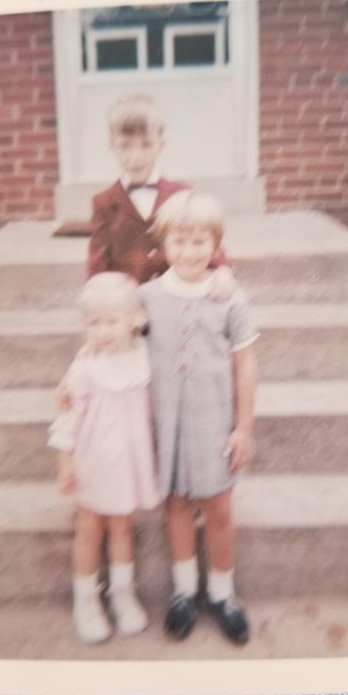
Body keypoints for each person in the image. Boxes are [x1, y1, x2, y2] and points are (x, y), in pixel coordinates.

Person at [139, 191, 258, 645]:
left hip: (215, 423)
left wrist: (243, 428)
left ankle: (223, 594)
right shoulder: (146, 297)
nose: (189, 252)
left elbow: (245, 365)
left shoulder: (230, 298)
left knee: (218, 508)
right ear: (164, 245)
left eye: (199, 242)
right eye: (179, 241)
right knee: (176, 505)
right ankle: (184, 592)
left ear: (216, 245)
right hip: (166, 423)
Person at [48, 273, 161, 644]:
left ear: (135, 320)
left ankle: (122, 593)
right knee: (89, 529)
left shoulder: (145, 358)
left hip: (129, 463)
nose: (102, 331)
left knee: (122, 527)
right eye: (93, 323)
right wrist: (65, 465)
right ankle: (86, 600)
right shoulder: (84, 370)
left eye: (112, 321)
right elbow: (66, 419)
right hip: (93, 462)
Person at [87, 92, 233, 296]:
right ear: (112, 145)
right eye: (125, 146)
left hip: (176, 295)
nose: (136, 155)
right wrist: (97, 294)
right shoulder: (104, 202)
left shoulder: (181, 194)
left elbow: (207, 238)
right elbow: (98, 262)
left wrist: (223, 270)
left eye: (146, 145)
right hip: (129, 301)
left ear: (160, 146)